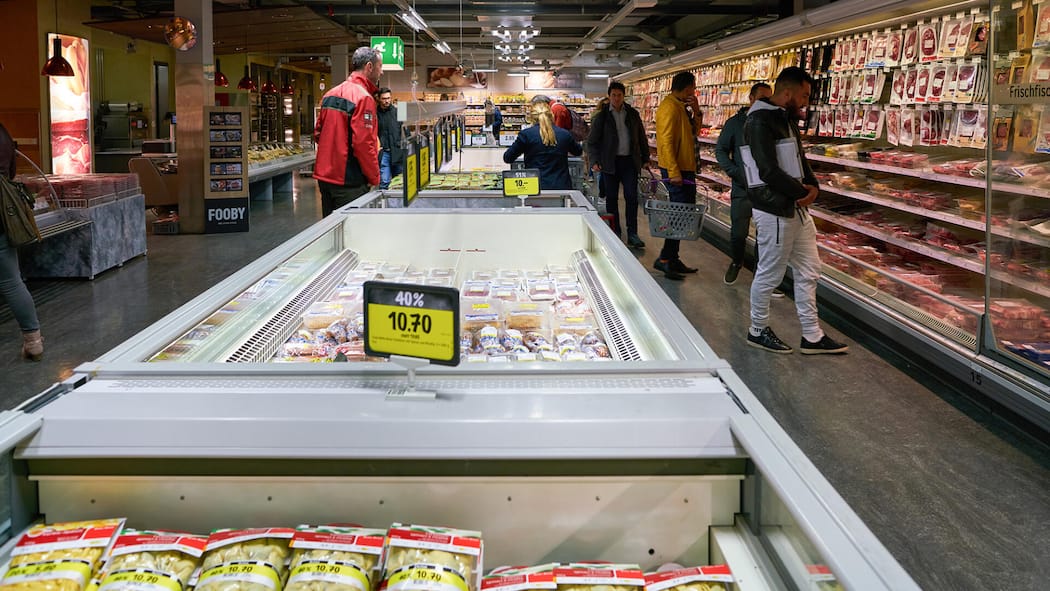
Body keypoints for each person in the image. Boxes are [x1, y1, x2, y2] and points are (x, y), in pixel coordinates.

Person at [743, 66, 848, 355]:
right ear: (786, 93)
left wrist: (813, 186)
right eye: (803, 95)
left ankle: (812, 335)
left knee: (809, 269)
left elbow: (798, 158)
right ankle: (757, 329)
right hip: (775, 209)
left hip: (795, 209)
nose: (805, 101)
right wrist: (803, 193)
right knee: (770, 273)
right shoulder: (760, 120)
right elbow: (767, 170)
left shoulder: (784, 117)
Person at [717, 82, 784, 293]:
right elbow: (721, 150)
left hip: (767, 190)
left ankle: (761, 277)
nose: (765, 103)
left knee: (764, 238)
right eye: (762, 99)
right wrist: (735, 172)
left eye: (768, 99)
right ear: (751, 99)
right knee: (738, 233)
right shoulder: (735, 123)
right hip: (743, 187)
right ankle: (736, 262)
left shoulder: (774, 123)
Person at [314, 46, 382, 216]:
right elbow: (363, 144)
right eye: (380, 67)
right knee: (353, 233)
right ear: (369, 67)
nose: (381, 72)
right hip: (349, 181)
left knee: (330, 231)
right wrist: (374, 177)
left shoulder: (330, 94)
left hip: (324, 178)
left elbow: (317, 133)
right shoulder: (363, 98)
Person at [653, 71, 703, 280]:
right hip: (677, 170)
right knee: (678, 214)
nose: (694, 91)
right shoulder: (669, 107)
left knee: (683, 214)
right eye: (693, 87)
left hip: (685, 167)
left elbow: (695, 132)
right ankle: (665, 259)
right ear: (687, 88)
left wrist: (697, 110)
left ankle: (672, 257)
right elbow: (665, 141)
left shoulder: (680, 106)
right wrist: (673, 172)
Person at [0, 123, 43, 361]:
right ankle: (33, 341)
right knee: (11, 281)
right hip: (2, 213)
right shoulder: (3, 134)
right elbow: (13, 169)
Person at [587, 82, 649, 248]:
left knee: (631, 197)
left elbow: (641, 136)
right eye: (613, 95)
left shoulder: (632, 114)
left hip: (629, 162)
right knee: (612, 198)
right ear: (609, 96)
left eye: (619, 95)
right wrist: (594, 161)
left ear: (623, 96)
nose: (616, 98)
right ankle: (615, 231)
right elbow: (592, 142)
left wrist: (646, 157)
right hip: (609, 163)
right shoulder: (602, 117)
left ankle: (633, 233)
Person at [502, 101, 582, 191]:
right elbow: (578, 151)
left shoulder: (526, 135)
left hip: (533, 186)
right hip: (561, 186)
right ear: (551, 115)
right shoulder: (564, 134)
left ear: (532, 117)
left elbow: (508, 158)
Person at [376, 87, 403, 190]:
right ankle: (384, 205)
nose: (387, 101)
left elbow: (406, 131)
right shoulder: (374, 113)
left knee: (399, 182)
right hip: (383, 153)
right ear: (379, 99)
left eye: (388, 98)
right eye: (383, 98)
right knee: (384, 182)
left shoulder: (400, 111)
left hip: (397, 152)